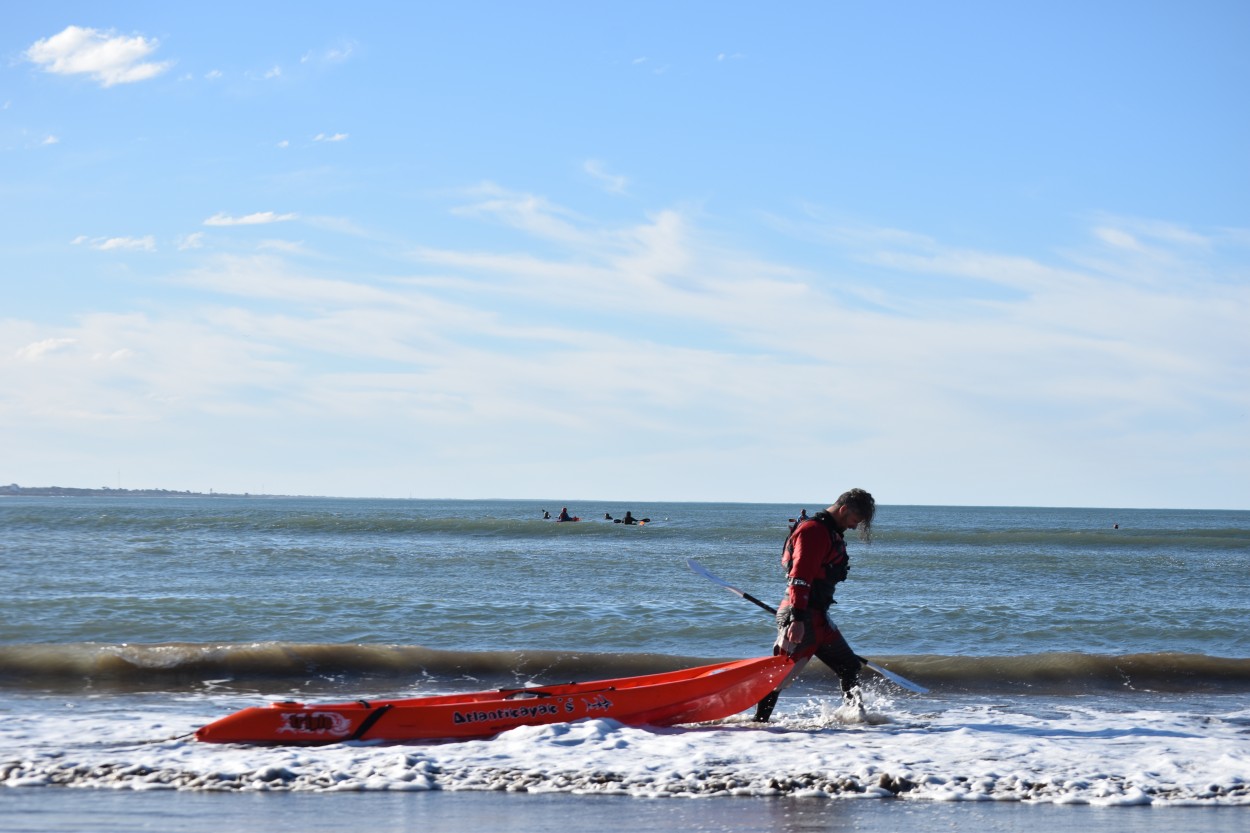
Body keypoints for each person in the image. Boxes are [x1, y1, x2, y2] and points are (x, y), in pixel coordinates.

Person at [754, 488, 876, 722]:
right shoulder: (814, 532)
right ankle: (759, 725)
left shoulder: (829, 532)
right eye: (854, 521)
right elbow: (799, 577)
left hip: (818, 617)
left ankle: (857, 720)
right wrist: (797, 619)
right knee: (780, 678)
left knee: (849, 666)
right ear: (843, 510)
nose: (853, 526)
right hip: (802, 616)